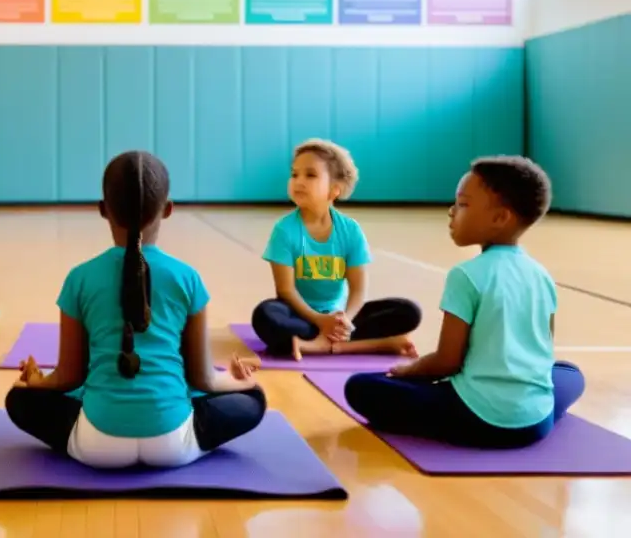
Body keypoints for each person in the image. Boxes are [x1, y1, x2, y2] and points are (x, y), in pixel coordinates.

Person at [4, 150, 267, 469]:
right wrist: (241, 383)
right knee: (254, 401)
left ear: (103, 210)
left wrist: (36, 381)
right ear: (168, 210)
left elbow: (69, 378)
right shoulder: (188, 278)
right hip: (174, 445)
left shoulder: (80, 278)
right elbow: (202, 380)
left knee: (18, 400)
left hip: (96, 444)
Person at [344, 156, 586, 449]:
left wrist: (408, 371)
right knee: (569, 374)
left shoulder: (466, 275)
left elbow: (447, 363)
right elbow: (542, 353)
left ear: (500, 218)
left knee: (360, 387)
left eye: (462, 204)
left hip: (478, 417)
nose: (451, 211)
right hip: (536, 422)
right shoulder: (541, 274)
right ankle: (528, 408)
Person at [251, 139, 422, 360]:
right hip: (300, 316)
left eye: (310, 175)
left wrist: (347, 321)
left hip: (339, 318)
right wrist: (320, 320)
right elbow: (286, 291)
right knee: (265, 315)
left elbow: (358, 289)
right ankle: (370, 343)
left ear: (335, 189)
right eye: (294, 174)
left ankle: (322, 345)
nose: (298, 181)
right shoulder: (284, 230)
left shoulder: (350, 230)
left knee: (409, 311)